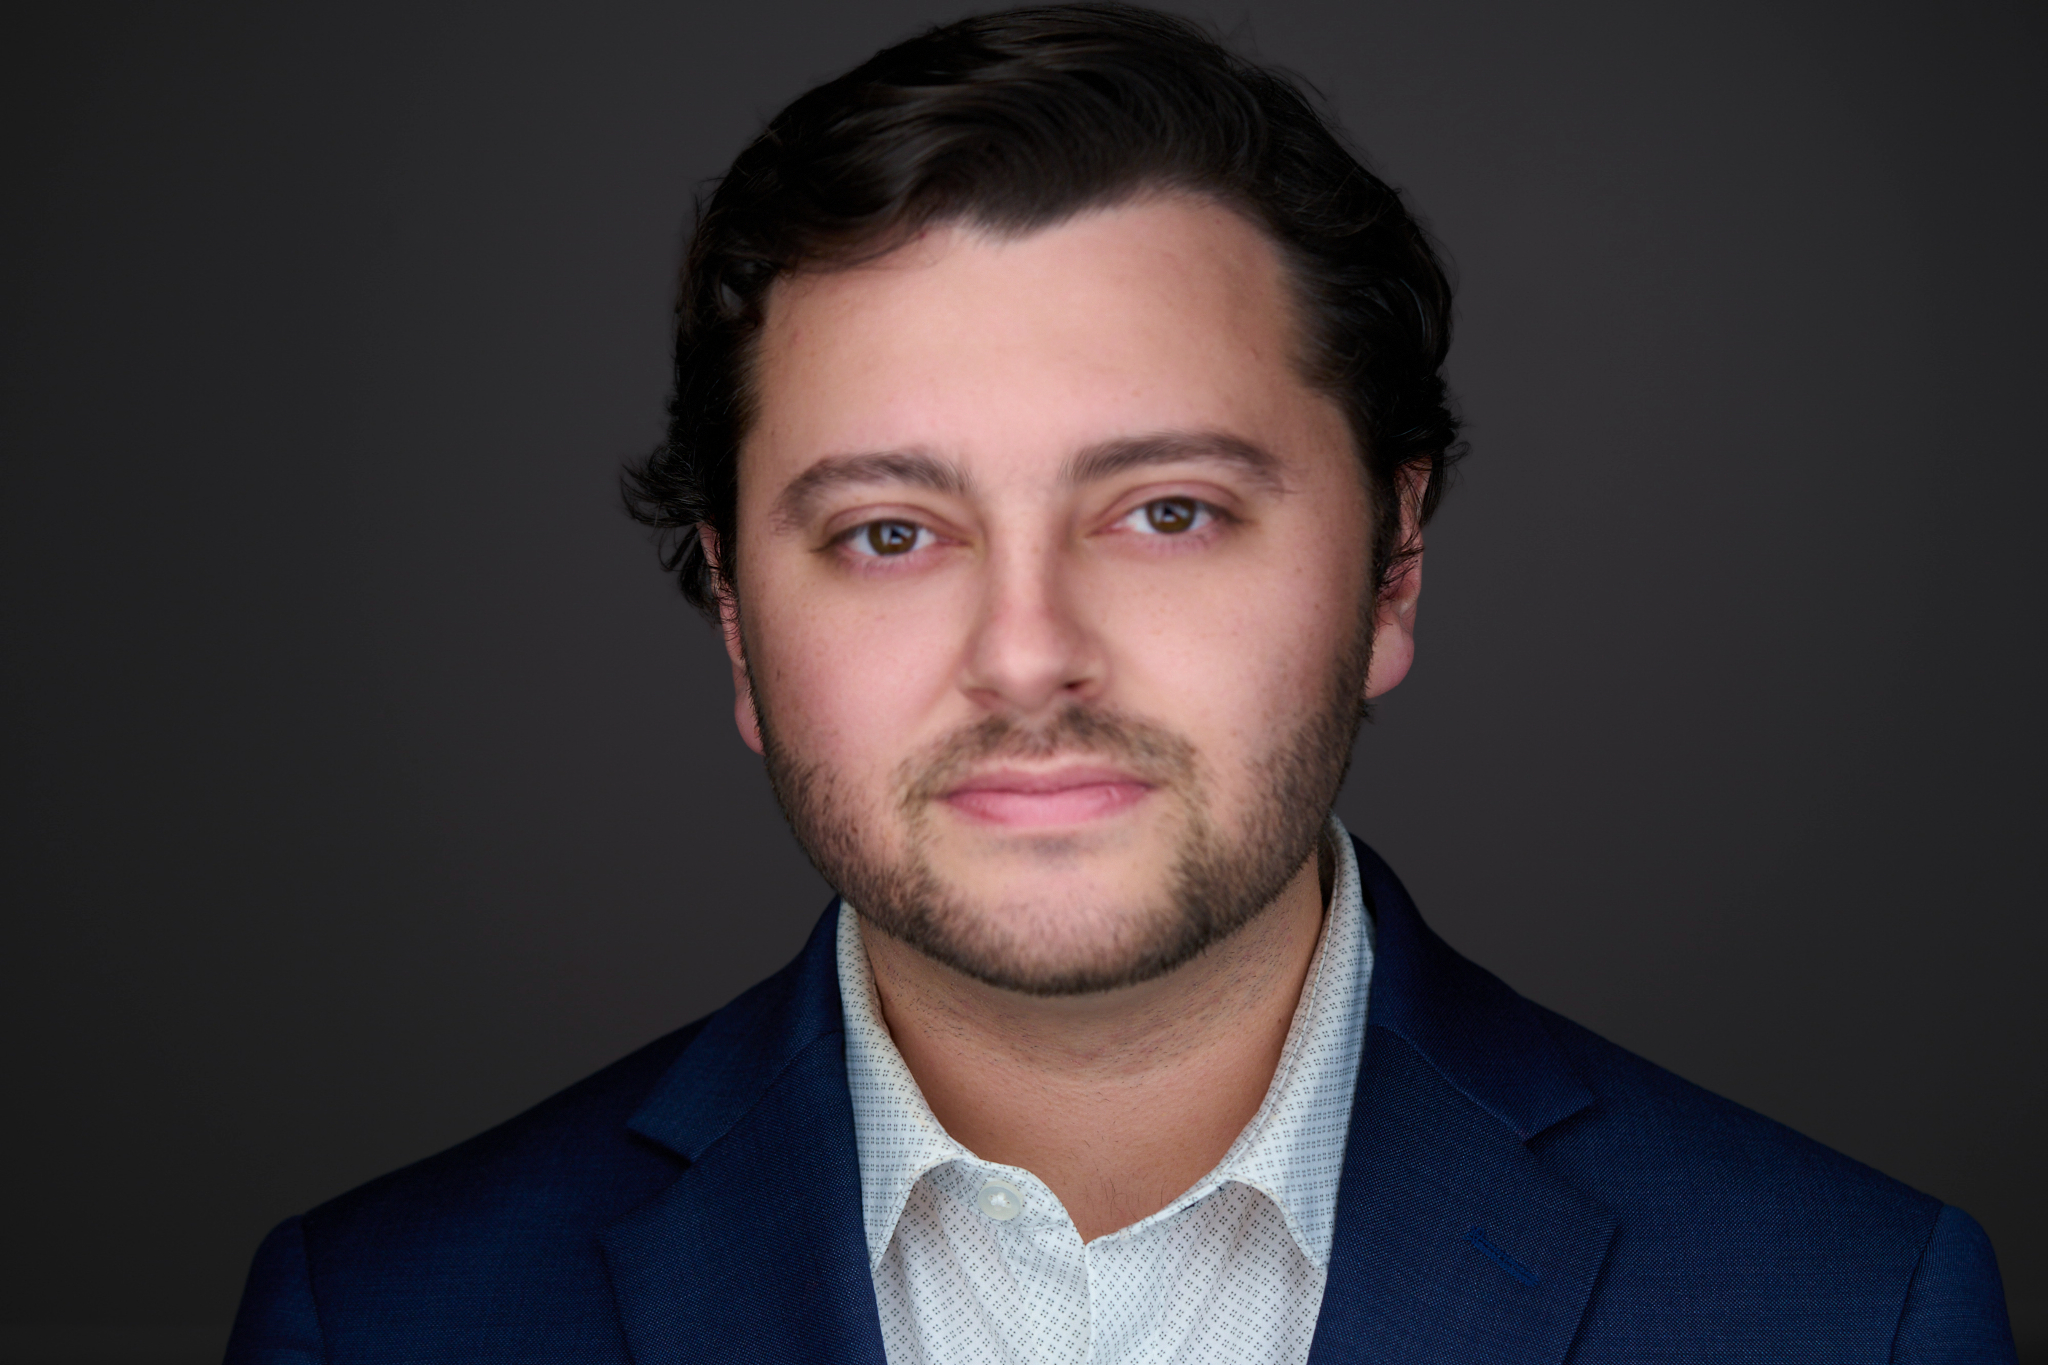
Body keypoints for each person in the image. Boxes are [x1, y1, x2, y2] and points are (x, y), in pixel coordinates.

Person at [224, 5, 2017, 1361]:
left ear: (1393, 563)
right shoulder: (380, 1316)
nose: (1028, 657)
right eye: (888, 533)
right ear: (732, 620)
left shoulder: (1851, 1310)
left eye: (1167, 511)